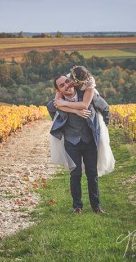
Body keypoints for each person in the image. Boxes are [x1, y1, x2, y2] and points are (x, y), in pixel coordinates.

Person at [47, 72, 114, 214]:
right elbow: (51, 107)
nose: (67, 86)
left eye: (67, 81)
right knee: (75, 175)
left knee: (92, 174)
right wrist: (76, 111)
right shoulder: (56, 103)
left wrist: (103, 126)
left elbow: (105, 107)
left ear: (72, 81)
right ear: (59, 91)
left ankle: (96, 206)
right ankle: (77, 206)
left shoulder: (87, 94)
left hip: (89, 141)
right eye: (62, 85)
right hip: (71, 143)